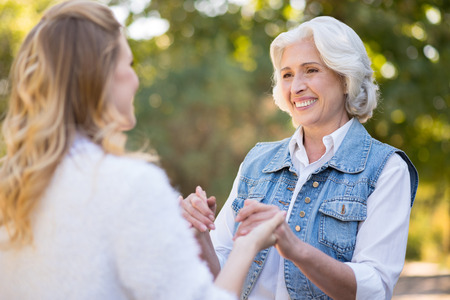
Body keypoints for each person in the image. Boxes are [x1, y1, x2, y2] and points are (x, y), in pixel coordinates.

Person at [0, 1, 286, 299]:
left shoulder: (12, 183)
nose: (135, 80)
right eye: (129, 64)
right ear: (101, 77)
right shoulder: (130, 186)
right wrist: (247, 246)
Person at [181, 16, 419, 300]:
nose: (296, 87)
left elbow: (375, 288)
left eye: (311, 70)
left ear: (346, 79)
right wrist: (198, 234)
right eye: (287, 74)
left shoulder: (386, 169)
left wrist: (295, 248)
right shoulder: (258, 161)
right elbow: (221, 276)